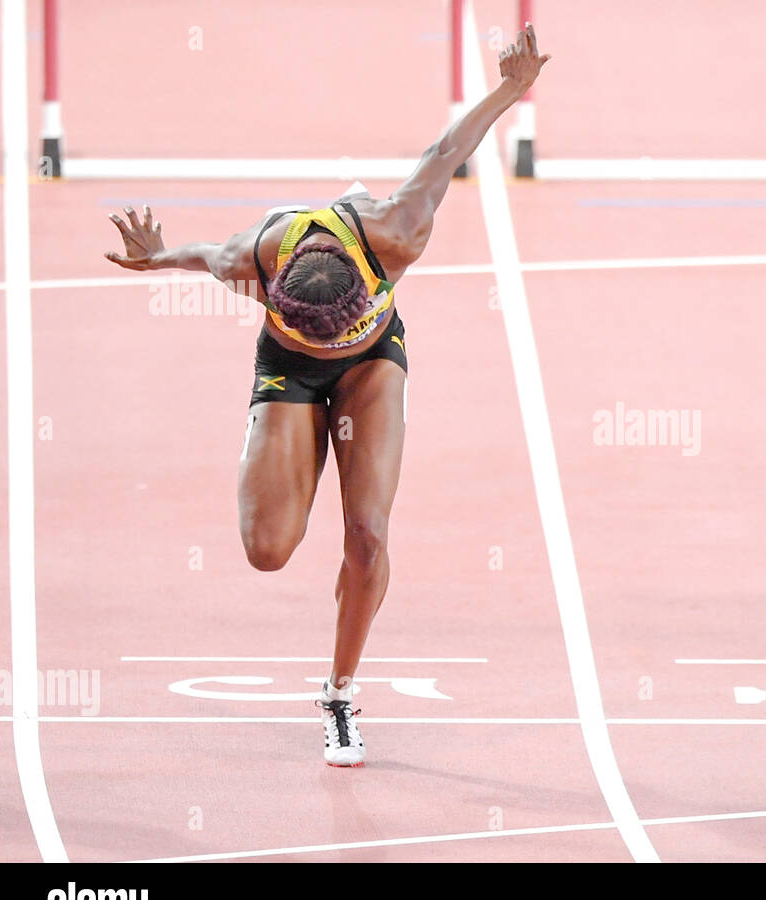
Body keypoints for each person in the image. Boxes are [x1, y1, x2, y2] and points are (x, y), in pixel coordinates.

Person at [105, 25, 551, 767]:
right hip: (288, 370)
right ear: (272, 294)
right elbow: (194, 254)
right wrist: (156, 259)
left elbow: (446, 152)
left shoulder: (396, 233)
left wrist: (512, 85)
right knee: (267, 551)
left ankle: (340, 694)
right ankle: (281, 438)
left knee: (368, 535)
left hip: (372, 365)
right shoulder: (252, 257)